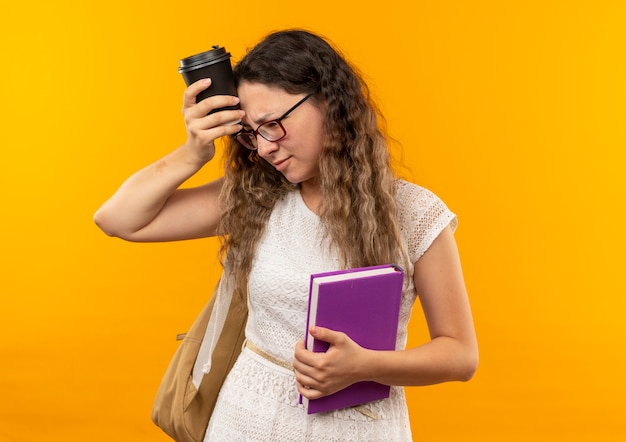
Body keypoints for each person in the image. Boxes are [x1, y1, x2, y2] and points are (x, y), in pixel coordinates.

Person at [94, 29, 478, 441]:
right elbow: (118, 219)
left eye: (273, 125)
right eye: (250, 133)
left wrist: (365, 365)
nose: (262, 148)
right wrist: (194, 151)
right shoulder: (257, 195)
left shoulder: (413, 213)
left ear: (329, 104)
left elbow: (459, 354)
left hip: (357, 428)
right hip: (244, 420)